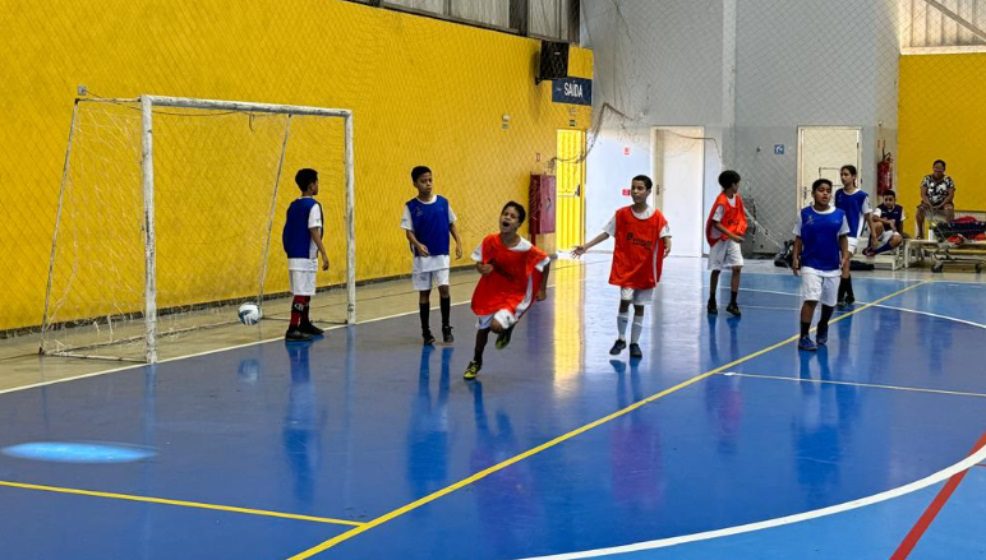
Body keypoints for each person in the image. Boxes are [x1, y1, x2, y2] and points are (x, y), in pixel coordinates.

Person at [572, 175, 671, 359]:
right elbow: (606, 233)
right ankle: (621, 338)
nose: (635, 191)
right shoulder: (622, 214)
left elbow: (666, 233)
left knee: (640, 307)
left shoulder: (657, 217)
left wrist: (668, 243)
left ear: (648, 191)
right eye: (633, 187)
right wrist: (585, 246)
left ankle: (634, 343)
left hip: (645, 269)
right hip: (626, 268)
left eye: (640, 188)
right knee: (625, 300)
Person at [463, 202, 551, 380]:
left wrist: (542, 289)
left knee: (496, 327)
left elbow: (546, 261)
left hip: (514, 293)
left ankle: (507, 326)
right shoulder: (489, 241)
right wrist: (481, 268)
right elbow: (479, 261)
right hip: (491, 290)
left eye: (512, 216)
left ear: (518, 224)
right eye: (505, 214)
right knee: (482, 330)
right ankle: (476, 360)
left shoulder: (525, 248)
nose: (507, 218)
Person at [401, 166, 463, 345]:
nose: (428, 184)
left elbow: (452, 224)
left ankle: (446, 326)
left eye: (430, 180)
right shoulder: (410, 206)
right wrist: (418, 244)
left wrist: (458, 242)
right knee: (424, 294)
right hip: (422, 257)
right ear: (415, 184)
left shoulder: (443, 203)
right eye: (423, 181)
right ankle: (426, 331)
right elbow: (408, 232)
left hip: (441, 254)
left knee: (444, 288)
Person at [792, 178, 851, 352]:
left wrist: (845, 256)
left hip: (832, 264)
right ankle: (804, 336)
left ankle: (823, 324)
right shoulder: (804, 214)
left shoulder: (839, 214)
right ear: (813, 193)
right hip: (810, 263)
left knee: (830, 302)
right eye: (821, 190)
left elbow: (843, 237)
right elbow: (798, 237)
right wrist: (795, 257)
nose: (825, 193)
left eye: (828, 190)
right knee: (811, 299)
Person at [281, 168, 330, 341]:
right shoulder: (313, 206)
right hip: (304, 254)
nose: (318, 185)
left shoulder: (293, 205)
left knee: (306, 289)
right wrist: (323, 252)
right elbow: (313, 230)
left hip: (295, 253)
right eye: (316, 182)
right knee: (301, 292)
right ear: (311, 186)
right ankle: (293, 327)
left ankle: (305, 322)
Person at [705, 170, 747, 316]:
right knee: (716, 270)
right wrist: (732, 235)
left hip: (731, 236)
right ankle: (711, 300)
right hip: (719, 238)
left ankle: (733, 303)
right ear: (732, 185)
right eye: (737, 183)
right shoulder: (722, 202)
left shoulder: (737, 198)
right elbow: (716, 223)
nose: (739, 186)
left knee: (737, 267)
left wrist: (739, 230)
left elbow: (740, 216)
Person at [833, 165, 874, 307]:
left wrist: (873, 235)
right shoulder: (838, 193)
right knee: (844, 265)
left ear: (854, 177)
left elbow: (868, 216)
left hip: (852, 234)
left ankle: (839, 296)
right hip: (838, 234)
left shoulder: (862, 196)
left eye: (846, 174)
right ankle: (850, 294)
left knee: (844, 262)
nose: (843, 177)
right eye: (841, 174)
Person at [916, 159, 956, 239]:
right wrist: (929, 204)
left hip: (944, 203)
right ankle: (920, 233)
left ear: (944, 169)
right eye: (935, 168)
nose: (937, 170)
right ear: (933, 168)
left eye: (940, 168)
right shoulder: (926, 179)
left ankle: (948, 232)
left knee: (949, 209)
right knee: (919, 210)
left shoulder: (948, 180)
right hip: (928, 203)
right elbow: (923, 194)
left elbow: (950, 195)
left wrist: (941, 205)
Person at [864, 190, 904, 256]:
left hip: (891, 232)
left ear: (895, 200)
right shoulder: (880, 208)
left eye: (890, 200)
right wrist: (888, 222)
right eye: (886, 200)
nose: (888, 202)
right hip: (880, 232)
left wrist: (900, 234)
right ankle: (869, 247)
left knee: (898, 238)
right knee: (878, 224)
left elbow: (901, 224)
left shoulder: (900, 209)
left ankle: (876, 251)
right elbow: (874, 217)